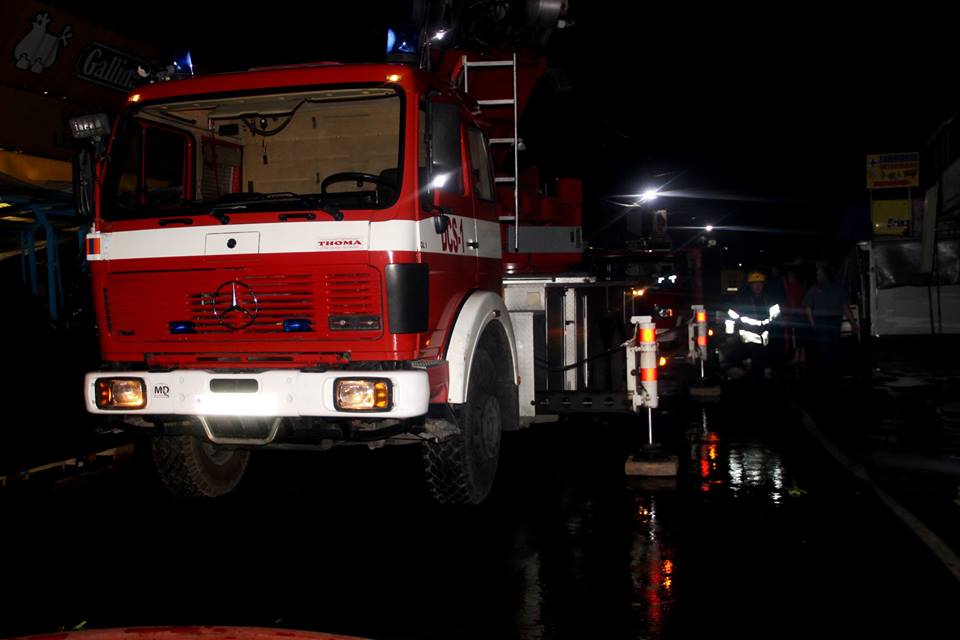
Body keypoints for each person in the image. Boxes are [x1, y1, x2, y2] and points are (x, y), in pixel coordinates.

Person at [803, 263, 858, 378]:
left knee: (824, 351)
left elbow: (808, 308)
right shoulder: (838, 288)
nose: (817, 277)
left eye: (818, 274)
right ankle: (833, 373)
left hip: (822, 324)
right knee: (833, 349)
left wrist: (812, 323)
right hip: (833, 323)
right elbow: (846, 308)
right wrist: (853, 323)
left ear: (824, 275)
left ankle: (827, 374)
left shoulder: (815, 289)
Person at [727, 270, 781, 380]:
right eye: (755, 284)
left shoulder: (769, 300)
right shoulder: (741, 300)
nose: (757, 286)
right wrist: (730, 335)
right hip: (747, 341)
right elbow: (730, 318)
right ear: (750, 286)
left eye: (760, 284)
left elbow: (776, 318)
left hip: (764, 339)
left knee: (764, 368)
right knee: (749, 369)